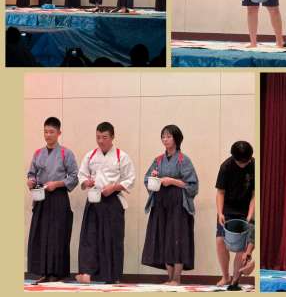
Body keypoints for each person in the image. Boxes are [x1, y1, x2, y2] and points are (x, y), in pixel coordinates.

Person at [76, 122, 136, 284]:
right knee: (90, 237)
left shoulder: (121, 156)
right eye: (98, 137)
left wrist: (114, 187)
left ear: (112, 137)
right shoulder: (90, 155)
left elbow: (130, 178)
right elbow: (81, 175)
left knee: (113, 238)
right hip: (94, 200)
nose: (101, 141)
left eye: (104, 137)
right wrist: (86, 182)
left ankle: (113, 275)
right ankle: (88, 273)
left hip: (112, 201)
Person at [142, 125, 198, 286]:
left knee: (177, 237)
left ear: (176, 139)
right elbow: (147, 179)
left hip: (178, 203)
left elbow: (192, 185)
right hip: (161, 201)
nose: (165, 139)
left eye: (168, 136)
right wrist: (154, 179)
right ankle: (170, 277)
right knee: (164, 236)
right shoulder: (158, 160)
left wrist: (172, 181)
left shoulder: (183, 160)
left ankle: (177, 278)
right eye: (163, 136)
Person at [26, 117, 79, 284]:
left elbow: (74, 177)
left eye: (51, 132)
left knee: (57, 234)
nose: (48, 135)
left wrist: (57, 184)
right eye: (45, 132)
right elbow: (31, 173)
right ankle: (41, 271)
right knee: (41, 234)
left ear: (59, 133)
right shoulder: (37, 153)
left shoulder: (66, 153)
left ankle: (57, 272)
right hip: (41, 197)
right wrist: (31, 181)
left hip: (58, 197)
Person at [215, 140, 255, 286]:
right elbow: (220, 192)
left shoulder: (254, 166)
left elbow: (254, 194)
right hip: (228, 208)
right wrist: (220, 213)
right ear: (234, 158)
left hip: (246, 208)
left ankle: (235, 280)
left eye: (247, 161)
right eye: (241, 162)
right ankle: (225, 276)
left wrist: (250, 214)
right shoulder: (226, 167)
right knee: (220, 240)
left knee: (242, 245)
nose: (245, 164)